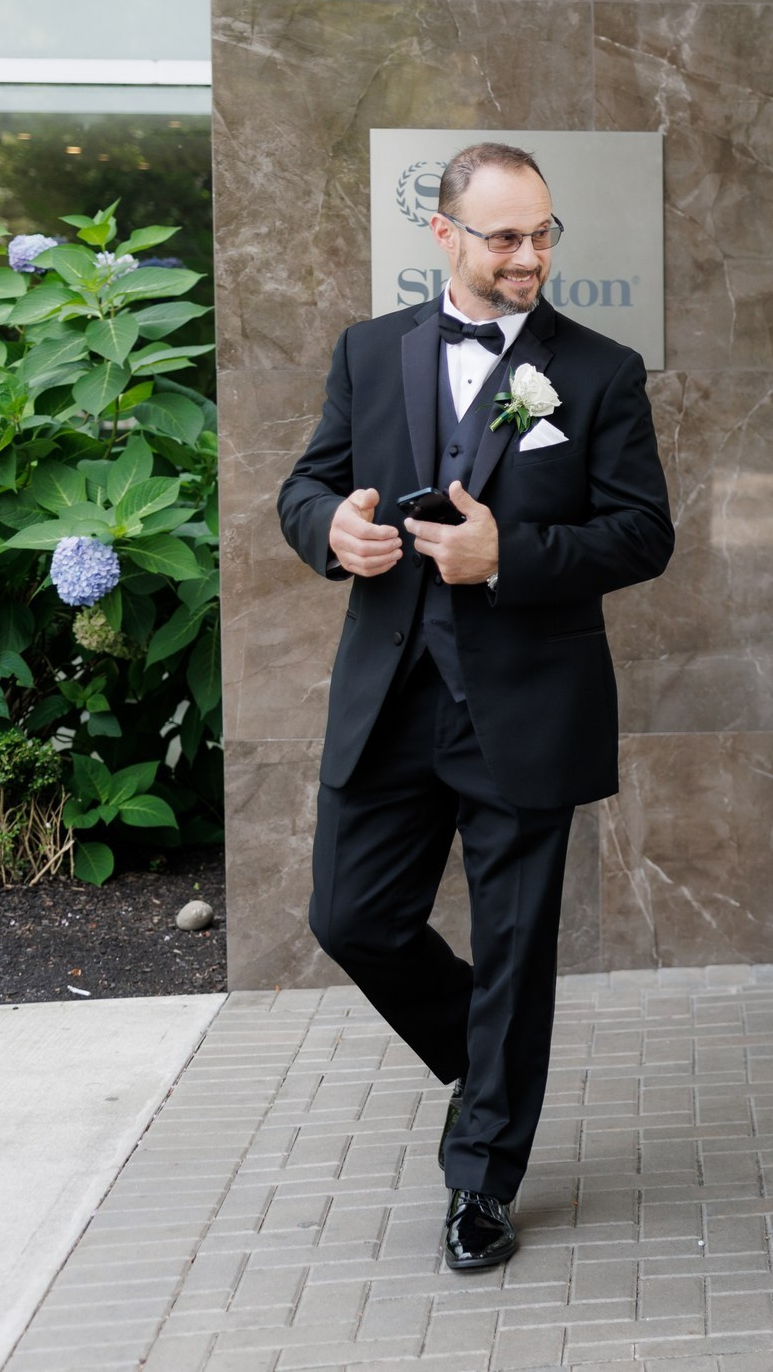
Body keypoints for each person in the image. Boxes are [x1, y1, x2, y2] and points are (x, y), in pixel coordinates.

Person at [276, 141, 673, 1272]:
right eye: (505, 236)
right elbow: (308, 483)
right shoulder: (370, 352)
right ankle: (489, 1067)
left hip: (525, 702)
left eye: (544, 233)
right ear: (443, 236)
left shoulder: (599, 371)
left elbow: (643, 533)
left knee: (512, 950)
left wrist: (511, 553)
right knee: (351, 918)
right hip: (389, 696)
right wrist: (330, 531)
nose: (530, 256)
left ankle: (483, 1179)